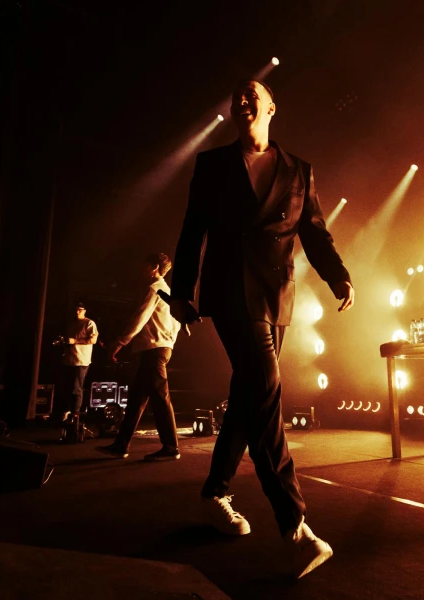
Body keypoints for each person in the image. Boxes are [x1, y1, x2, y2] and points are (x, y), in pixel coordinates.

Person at [170, 77, 354, 579]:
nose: (241, 101)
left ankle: (214, 493)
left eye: (251, 95)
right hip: (230, 291)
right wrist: (182, 290)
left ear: (272, 108)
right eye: (236, 97)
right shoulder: (211, 164)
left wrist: (337, 275)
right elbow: (193, 229)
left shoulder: (299, 170)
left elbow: (313, 231)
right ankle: (295, 528)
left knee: (248, 395)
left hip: (276, 296)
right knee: (267, 391)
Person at [97, 253, 182, 461]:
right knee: (136, 399)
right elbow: (178, 322)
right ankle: (121, 444)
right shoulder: (168, 292)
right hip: (160, 348)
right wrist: (169, 341)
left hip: (153, 350)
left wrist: (120, 342)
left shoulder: (154, 289)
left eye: (143, 265)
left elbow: (139, 318)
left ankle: (171, 447)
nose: (139, 269)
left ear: (154, 267)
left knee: (160, 397)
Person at [57, 302, 98, 421]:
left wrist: (74, 340)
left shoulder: (89, 323)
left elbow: (93, 340)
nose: (77, 312)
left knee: (76, 388)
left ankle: (75, 414)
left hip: (81, 361)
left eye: (80, 309)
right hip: (68, 360)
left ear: (84, 311)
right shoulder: (71, 324)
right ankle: (67, 411)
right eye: (76, 309)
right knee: (66, 387)